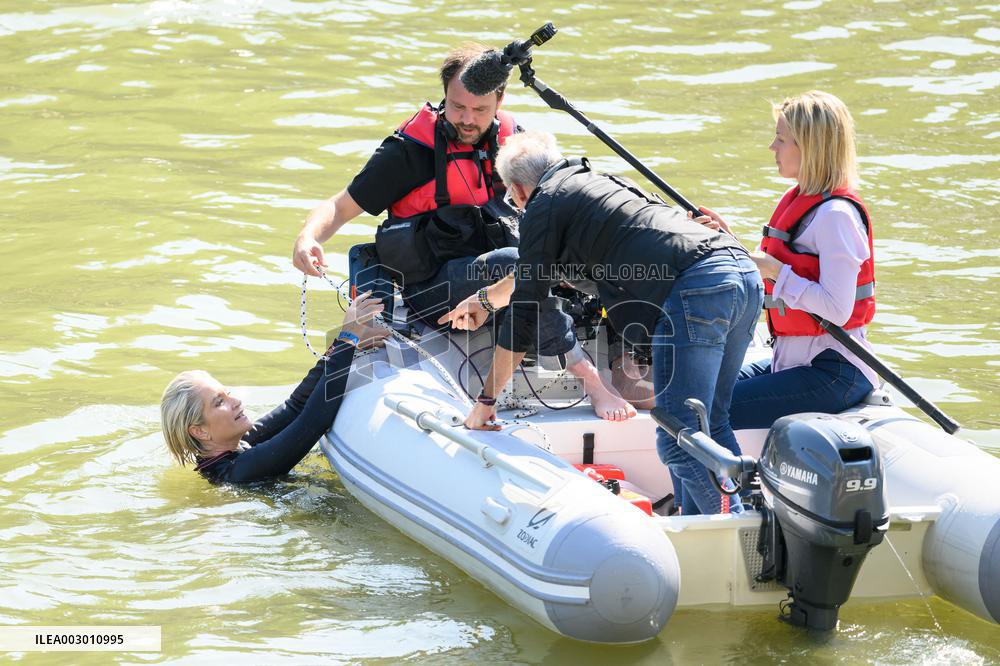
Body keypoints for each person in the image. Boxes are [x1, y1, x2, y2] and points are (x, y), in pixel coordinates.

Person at [291, 43, 632, 421]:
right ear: (444, 98)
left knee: (572, 259)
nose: (467, 119)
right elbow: (339, 206)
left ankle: (632, 357)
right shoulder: (409, 153)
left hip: (501, 279)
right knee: (517, 265)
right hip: (433, 289)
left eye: (480, 110)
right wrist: (309, 238)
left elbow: (562, 206)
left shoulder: (513, 142)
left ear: (499, 102)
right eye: (457, 107)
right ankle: (592, 381)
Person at [447, 130, 763, 515]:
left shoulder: (543, 206)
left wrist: (487, 400)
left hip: (698, 289)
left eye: (513, 200)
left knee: (677, 436)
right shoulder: (601, 186)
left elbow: (525, 313)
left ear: (518, 190)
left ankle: (745, 533)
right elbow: (526, 278)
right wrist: (482, 299)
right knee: (708, 422)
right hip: (743, 274)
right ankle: (701, 530)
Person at [691, 91, 878, 430]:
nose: (772, 148)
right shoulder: (799, 200)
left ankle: (725, 483)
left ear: (810, 147)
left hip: (834, 371)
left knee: (706, 412)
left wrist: (774, 269)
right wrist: (727, 240)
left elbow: (837, 309)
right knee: (691, 392)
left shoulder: (837, 216)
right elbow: (778, 274)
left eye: (780, 139)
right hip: (792, 360)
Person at [160, 292, 386, 484]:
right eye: (219, 402)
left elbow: (295, 406)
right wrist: (347, 339)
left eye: (227, 394)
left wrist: (343, 345)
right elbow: (312, 423)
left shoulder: (236, 445)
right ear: (199, 431)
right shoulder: (238, 472)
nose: (236, 401)